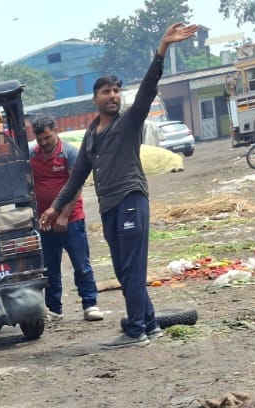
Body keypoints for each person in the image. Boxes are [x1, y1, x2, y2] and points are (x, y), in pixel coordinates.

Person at [41, 22, 201, 350]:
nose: (113, 96)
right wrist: (55, 207)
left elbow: (147, 90)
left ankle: (136, 330)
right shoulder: (90, 135)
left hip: (131, 199)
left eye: (116, 91)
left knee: (131, 267)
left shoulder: (129, 121)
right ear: (95, 98)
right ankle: (151, 324)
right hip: (109, 206)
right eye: (106, 92)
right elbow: (76, 177)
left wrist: (162, 49)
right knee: (122, 267)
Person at [29, 114, 103, 323]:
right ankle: (54, 309)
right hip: (44, 222)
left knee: (81, 264)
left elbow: (76, 186)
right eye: (39, 139)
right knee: (50, 268)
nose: (43, 143)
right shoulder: (31, 155)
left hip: (70, 219)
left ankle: (90, 304)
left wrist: (63, 215)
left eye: (47, 138)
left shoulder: (69, 153)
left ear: (55, 131)